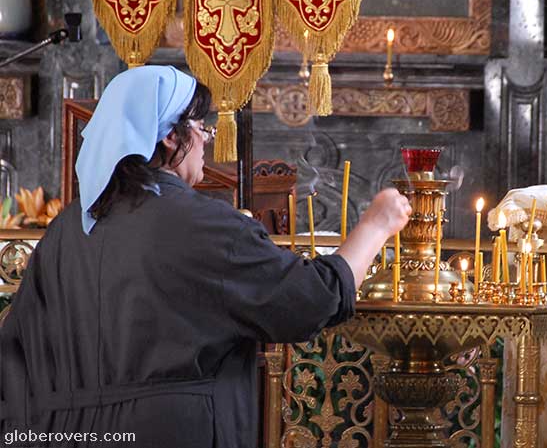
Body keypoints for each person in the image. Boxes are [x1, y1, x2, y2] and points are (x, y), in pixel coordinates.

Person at [0, 65, 411, 447]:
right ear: (170, 136)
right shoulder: (202, 224)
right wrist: (376, 225)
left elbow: (14, 360)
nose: (206, 141)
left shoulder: (64, 230)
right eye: (201, 127)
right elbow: (311, 299)